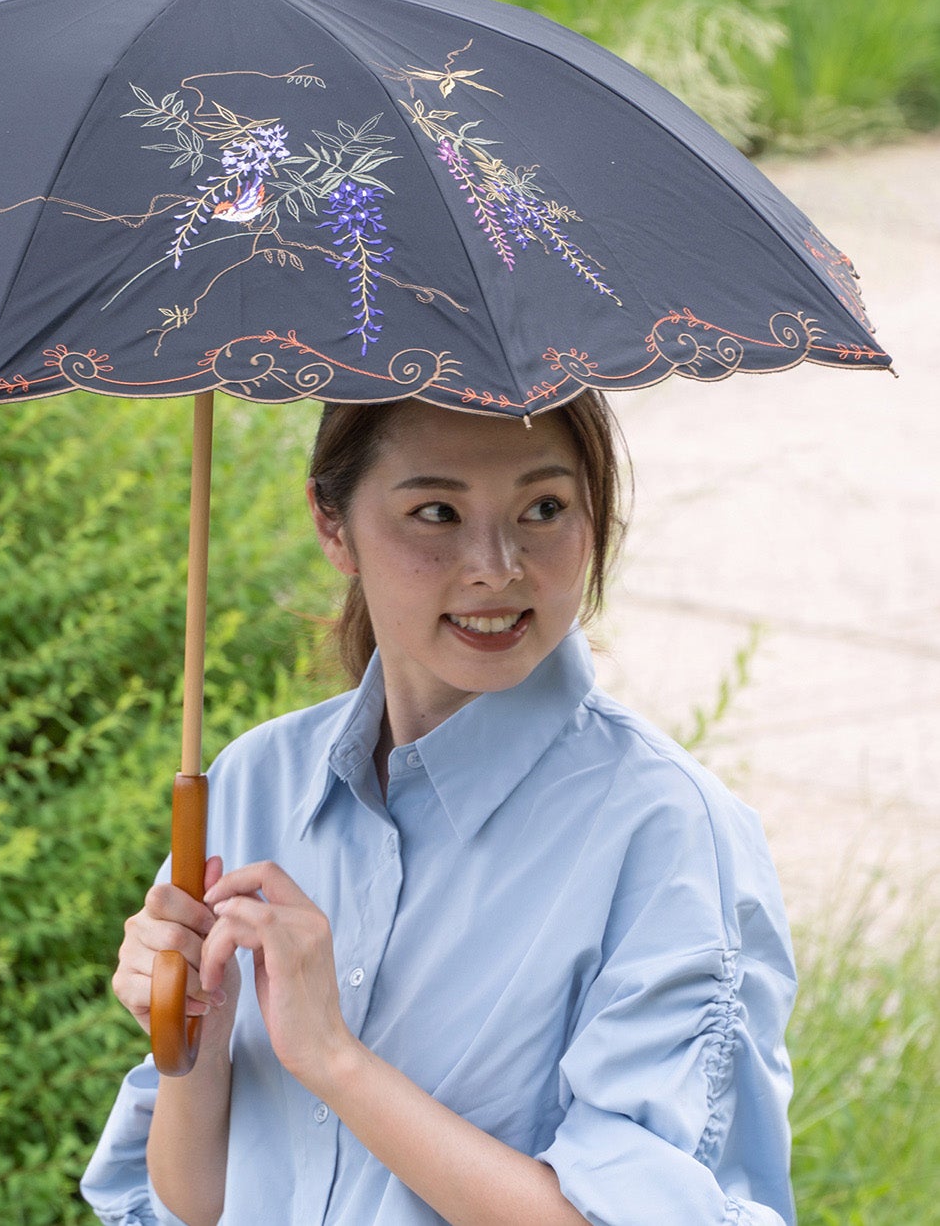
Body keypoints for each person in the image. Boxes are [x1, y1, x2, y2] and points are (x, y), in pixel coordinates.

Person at [80, 393, 796, 1226]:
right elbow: (192, 1206)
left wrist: (333, 1058)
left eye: (543, 508)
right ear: (332, 523)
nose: (496, 565)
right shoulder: (253, 781)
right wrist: (196, 1035)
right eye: (436, 512)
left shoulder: (667, 835)